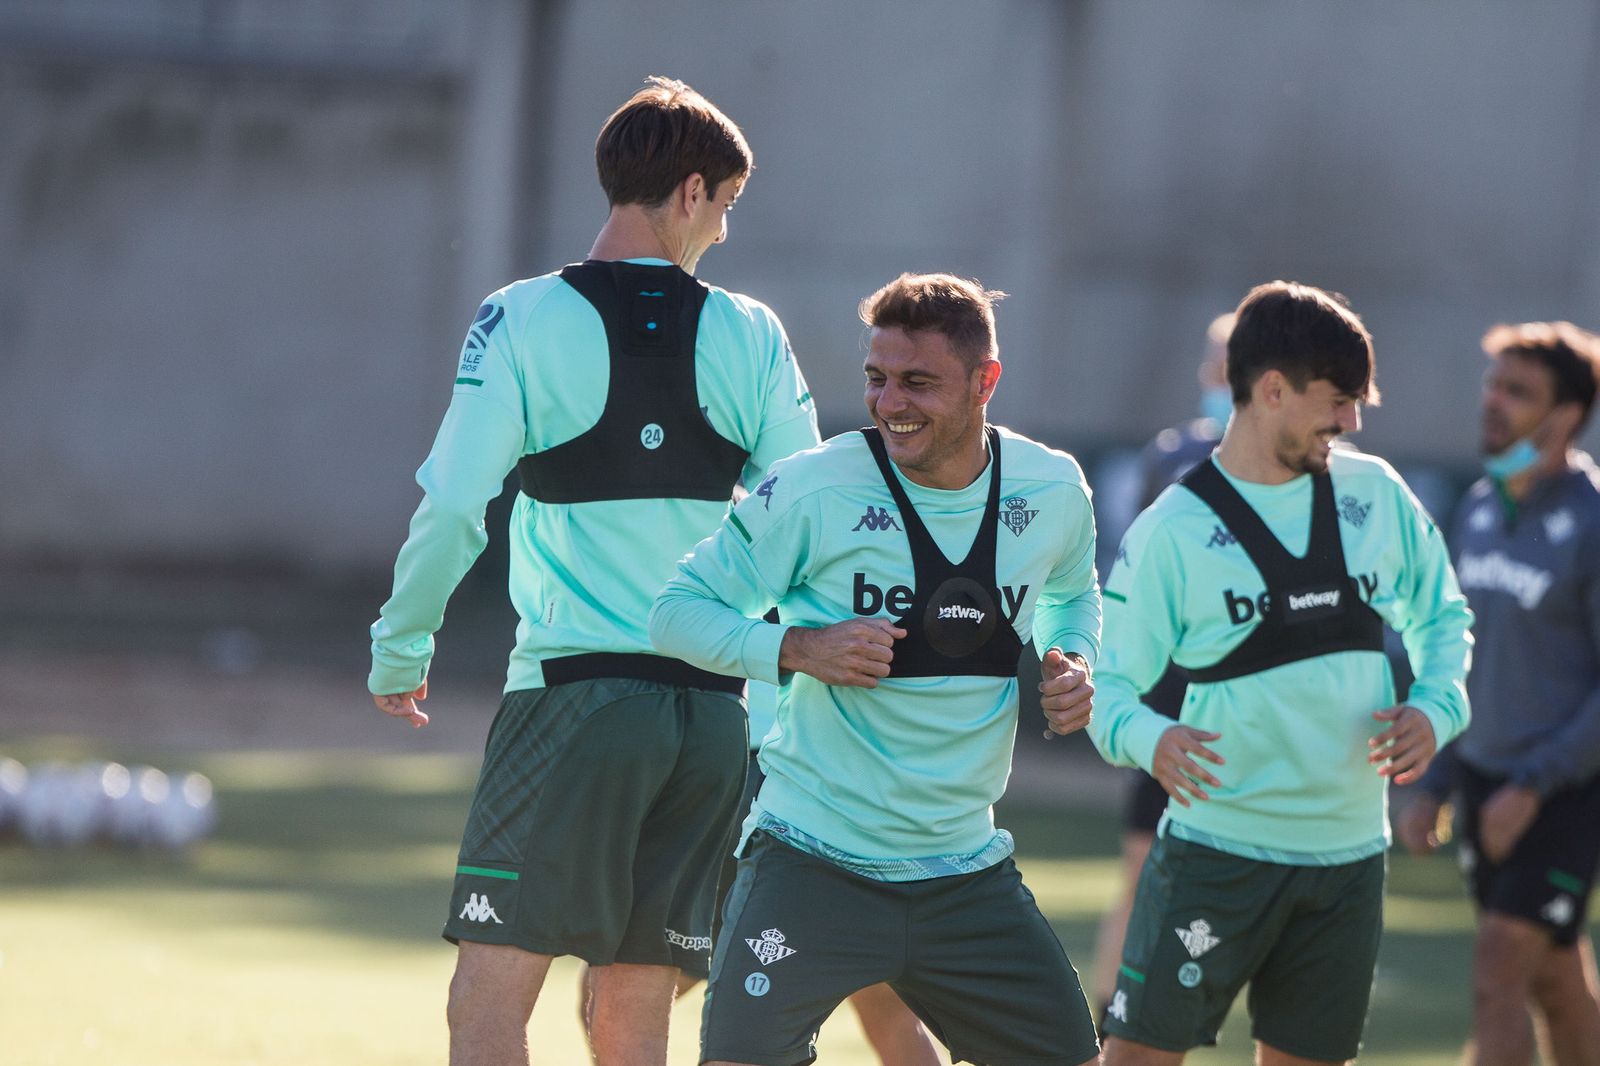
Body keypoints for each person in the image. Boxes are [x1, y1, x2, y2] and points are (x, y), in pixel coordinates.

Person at [366, 76, 819, 1066]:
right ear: (692, 192)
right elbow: (806, 527)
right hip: (710, 722)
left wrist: (402, 640)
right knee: (633, 1014)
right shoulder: (754, 334)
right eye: (727, 209)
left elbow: (452, 503)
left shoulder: (519, 318)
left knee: (486, 1000)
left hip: (571, 702)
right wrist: (778, 710)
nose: (725, 234)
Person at [651, 272, 1104, 1066]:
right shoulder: (814, 489)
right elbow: (677, 610)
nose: (890, 402)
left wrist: (1075, 660)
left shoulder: (1054, 489)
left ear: (984, 381)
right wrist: (797, 649)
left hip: (966, 875)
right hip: (812, 858)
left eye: (918, 382)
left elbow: (1074, 592)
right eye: (876, 378)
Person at [1089, 280, 1473, 1066]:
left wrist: (1438, 707)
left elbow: (1444, 618)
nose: (1353, 421)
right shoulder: (1173, 529)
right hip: (1214, 854)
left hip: (1350, 864)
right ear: (1271, 390)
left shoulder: (1377, 493)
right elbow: (1106, 688)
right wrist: (1149, 738)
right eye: (1337, 400)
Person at [1397, 322, 1600, 1066]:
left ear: (1566, 416)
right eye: (1493, 384)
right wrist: (1440, 778)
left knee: (1498, 966)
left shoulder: (1593, 518)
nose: (1494, 402)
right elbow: (1461, 657)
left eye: (1519, 392)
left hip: (1564, 789)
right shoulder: (1479, 508)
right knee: (1550, 972)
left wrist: (1535, 786)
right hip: (1484, 780)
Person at [1089, 311, 1233, 1020]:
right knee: (1144, 862)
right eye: (1213, 362)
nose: (1215, 377)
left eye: (1227, 363)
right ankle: (1109, 1016)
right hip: (1171, 687)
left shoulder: (1295, 468)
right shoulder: (1173, 455)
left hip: (1243, 693)